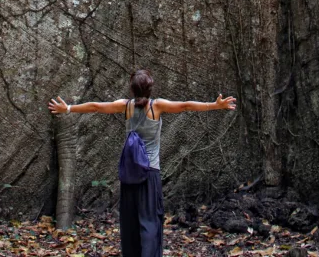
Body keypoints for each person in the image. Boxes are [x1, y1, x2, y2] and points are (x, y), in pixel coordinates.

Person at [48, 69, 236, 257]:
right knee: (150, 221)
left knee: (130, 222)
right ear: (150, 88)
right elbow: (186, 106)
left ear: (132, 89)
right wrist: (214, 105)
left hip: (129, 175)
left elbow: (96, 107)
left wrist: (69, 108)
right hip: (150, 174)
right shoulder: (157, 106)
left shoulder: (126, 106)